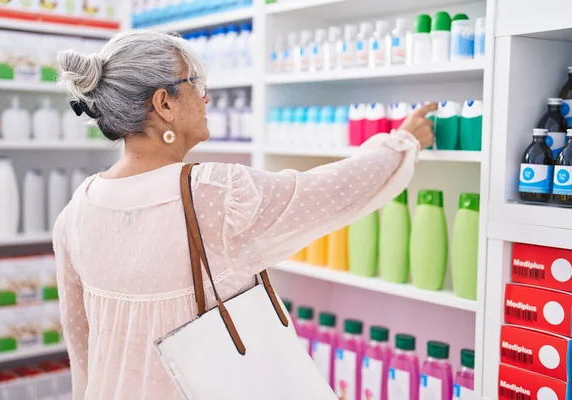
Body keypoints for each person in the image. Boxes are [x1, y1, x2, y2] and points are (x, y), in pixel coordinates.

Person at [54, 30, 435, 400]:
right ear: (163, 104)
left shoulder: (76, 212)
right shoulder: (214, 195)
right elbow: (328, 193)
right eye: (195, 82)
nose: (206, 97)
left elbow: (80, 344)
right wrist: (402, 144)